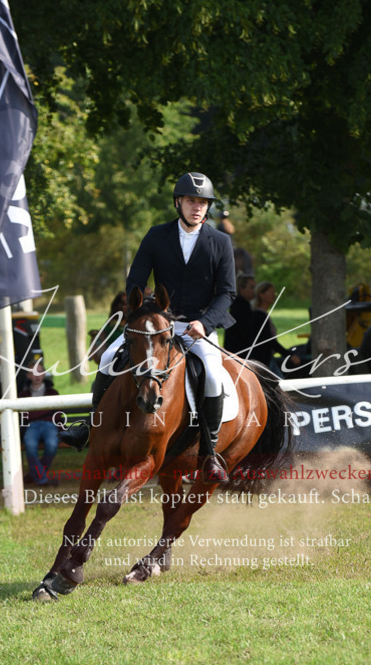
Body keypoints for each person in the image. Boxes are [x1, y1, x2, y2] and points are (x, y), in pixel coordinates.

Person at [59, 171, 236, 482]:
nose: (197, 207)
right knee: (109, 357)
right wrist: (143, 308)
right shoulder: (157, 236)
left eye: (203, 203)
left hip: (197, 327)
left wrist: (205, 323)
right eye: (191, 201)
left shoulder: (220, 242)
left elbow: (227, 293)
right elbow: (135, 279)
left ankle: (209, 454)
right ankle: (89, 427)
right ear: (178, 202)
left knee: (212, 374)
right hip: (156, 326)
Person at [19, 361, 60, 485]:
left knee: (52, 445)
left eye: (40, 372)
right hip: (32, 426)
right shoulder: (23, 395)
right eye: (33, 372)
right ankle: (42, 479)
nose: (37, 375)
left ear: (44, 374)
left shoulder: (53, 392)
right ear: (28, 375)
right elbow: (25, 415)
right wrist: (46, 411)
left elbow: (57, 414)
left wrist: (35, 412)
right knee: (30, 446)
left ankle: (34, 475)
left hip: (50, 426)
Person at [248, 281, 301, 376]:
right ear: (261, 295)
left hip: (268, 358)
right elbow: (268, 340)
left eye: (274, 293)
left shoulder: (262, 314)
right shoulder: (259, 316)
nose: (273, 295)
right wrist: (289, 355)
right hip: (262, 359)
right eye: (270, 293)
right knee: (278, 385)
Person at [87, 291, 127, 367]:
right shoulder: (113, 323)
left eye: (124, 304)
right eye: (122, 304)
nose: (122, 307)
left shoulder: (114, 323)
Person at [223, 274, 255, 355]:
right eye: (252, 287)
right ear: (241, 289)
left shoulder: (241, 305)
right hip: (239, 351)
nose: (254, 291)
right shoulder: (241, 307)